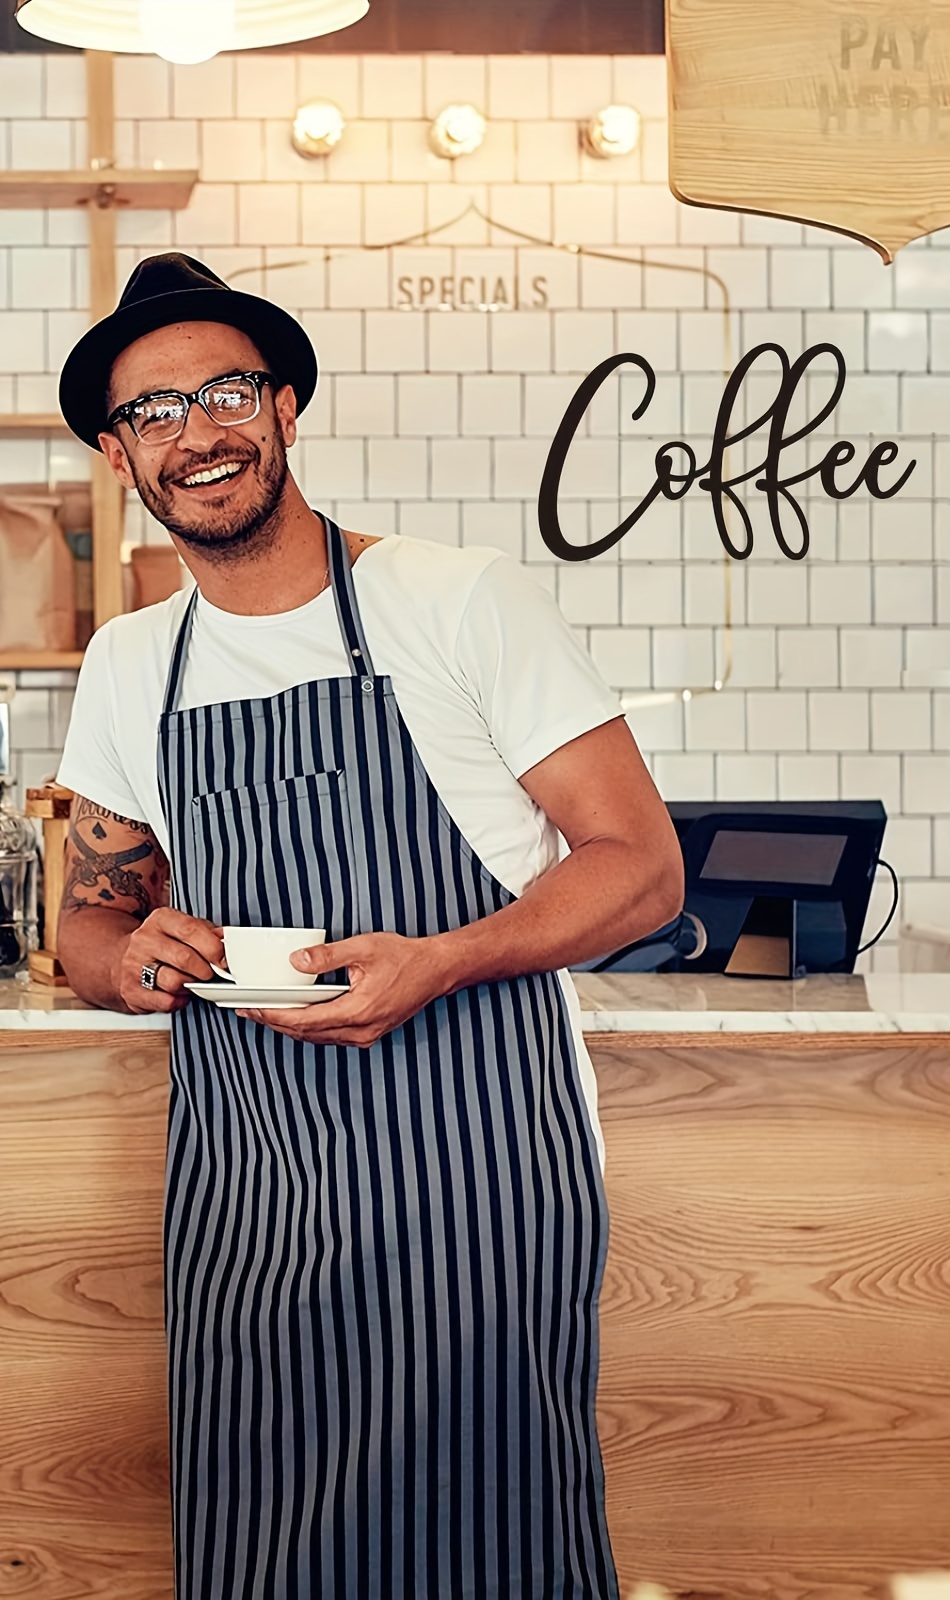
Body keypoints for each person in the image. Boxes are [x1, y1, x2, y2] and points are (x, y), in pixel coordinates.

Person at [52, 252, 683, 1600]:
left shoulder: (454, 598)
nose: (195, 435)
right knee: (263, 1526)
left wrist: (444, 956)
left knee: (488, 1525)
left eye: (223, 392)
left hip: (475, 1162)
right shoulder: (129, 664)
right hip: (248, 1182)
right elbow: (90, 927)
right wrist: (135, 956)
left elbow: (640, 869)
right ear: (120, 456)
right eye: (153, 414)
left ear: (283, 409)